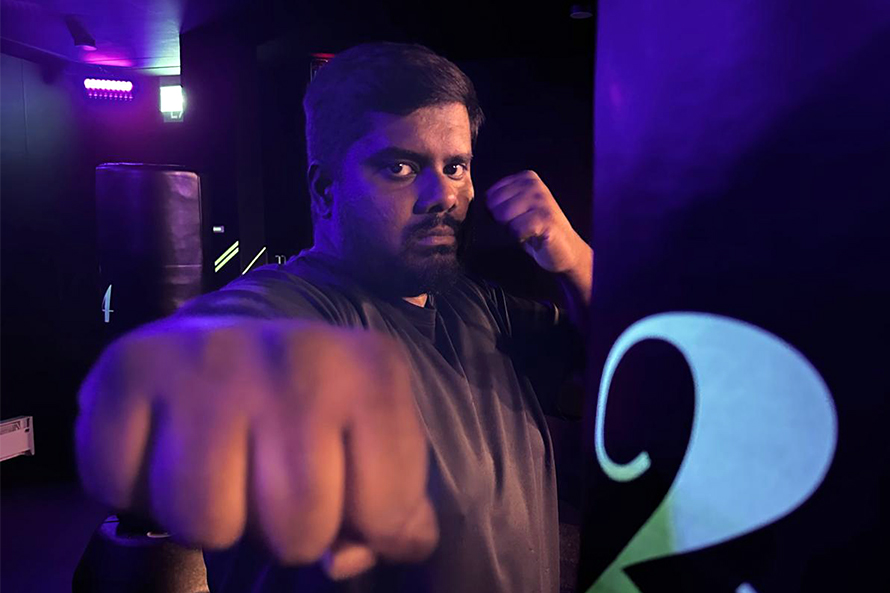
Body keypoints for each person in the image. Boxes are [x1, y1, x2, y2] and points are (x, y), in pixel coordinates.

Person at [75, 41, 593, 592]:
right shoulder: (298, 306)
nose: (442, 193)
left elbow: (633, 358)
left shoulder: (483, 309)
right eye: (400, 167)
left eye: (455, 166)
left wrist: (574, 259)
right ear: (325, 190)